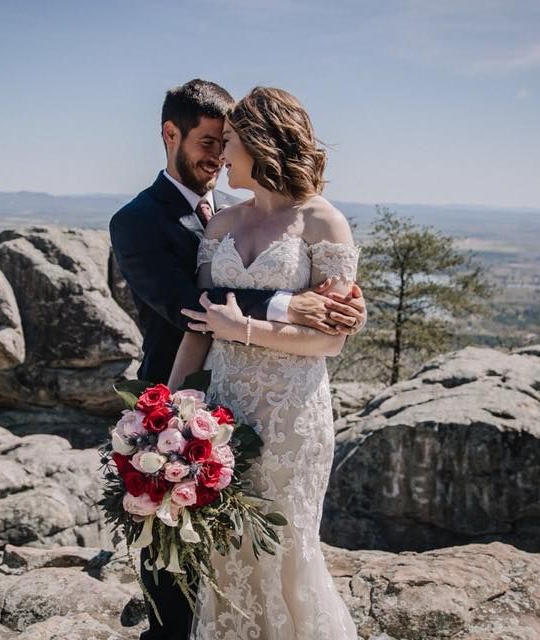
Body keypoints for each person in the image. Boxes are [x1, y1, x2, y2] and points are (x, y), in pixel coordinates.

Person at [109, 79, 365, 640]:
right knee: (222, 550)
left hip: (291, 413)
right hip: (222, 407)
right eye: (212, 141)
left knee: (283, 547)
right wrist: (165, 412)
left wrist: (248, 326)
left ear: (263, 144)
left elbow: (332, 337)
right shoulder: (212, 224)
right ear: (171, 135)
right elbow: (196, 320)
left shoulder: (324, 222)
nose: (221, 154)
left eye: (229, 141)